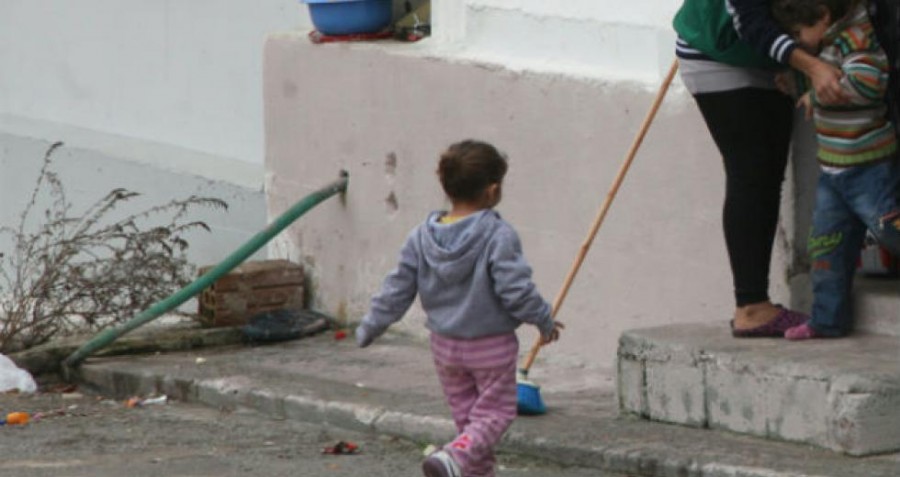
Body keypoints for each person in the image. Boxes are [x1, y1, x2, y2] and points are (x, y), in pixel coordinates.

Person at [355, 140, 564, 477]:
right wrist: (544, 319)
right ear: (492, 190)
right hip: (490, 346)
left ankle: (461, 464)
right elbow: (516, 290)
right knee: (494, 416)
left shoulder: (420, 237)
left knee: (470, 423)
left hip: (445, 349)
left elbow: (397, 287)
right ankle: (453, 455)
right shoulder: (498, 235)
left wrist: (371, 325)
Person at [673, 0, 848, 337]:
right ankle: (751, 306)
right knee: (752, 175)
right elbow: (750, 22)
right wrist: (813, 67)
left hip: (768, 59)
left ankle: (754, 304)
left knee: (766, 177)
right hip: (722, 57)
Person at [769, 0, 900, 339]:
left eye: (799, 32)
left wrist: (816, 95)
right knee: (826, 248)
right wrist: (797, 86)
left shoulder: (857, 39)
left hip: (868, 169)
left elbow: (869, 83)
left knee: (891, 231)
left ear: (823, 16)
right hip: (832, 172)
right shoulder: (825, 45)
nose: (798, 41)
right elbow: (821, 83)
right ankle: (826, 320)